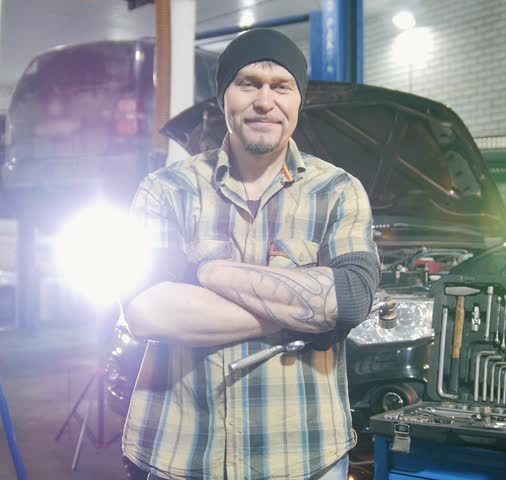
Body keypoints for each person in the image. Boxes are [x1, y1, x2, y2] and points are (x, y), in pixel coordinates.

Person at [120, 28, 380, 480]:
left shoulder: (338, 191)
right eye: (248, 84)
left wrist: (211, 273)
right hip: (183, 454)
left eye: (281, 86)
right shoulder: (167, 190)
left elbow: (352, 299)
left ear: (299, 100)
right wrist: (306, 311)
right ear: (224, 97)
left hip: (305, 456)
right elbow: (144, 310)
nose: (265, 101)